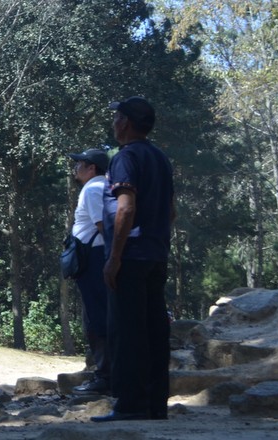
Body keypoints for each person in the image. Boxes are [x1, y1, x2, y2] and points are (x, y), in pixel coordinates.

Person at [94, 96, 174, 422]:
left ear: (124, 122)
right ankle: (155, 405)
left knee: (126, 331)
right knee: (154, 331)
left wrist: (115, 257)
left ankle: (130, 405)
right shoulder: (160, 158)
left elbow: (125, 208)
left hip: (131, 256)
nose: (113, 123)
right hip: (156, 254)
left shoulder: (125, 158)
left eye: (116, 117)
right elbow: (171, 212)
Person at [67, 148, 112, 394]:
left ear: (92, 168)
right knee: (98, 315)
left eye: (80, 163)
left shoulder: (93, 189)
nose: (76, 168)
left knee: (97, 318)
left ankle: (105, 377)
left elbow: (104, 226)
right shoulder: (103, 187)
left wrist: (113, 257)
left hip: (95, 258)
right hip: (97, 257)